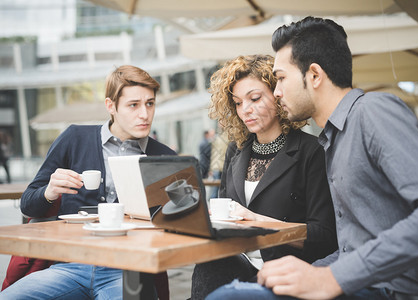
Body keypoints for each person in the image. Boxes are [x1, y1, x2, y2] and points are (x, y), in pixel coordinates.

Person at [206, 17, 418, 300]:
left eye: (282, 78)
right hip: (361, 283)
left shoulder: (371, 112)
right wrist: (310, 271)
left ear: (315, 75)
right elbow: (350, 249)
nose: (278, 91)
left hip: (398, 290)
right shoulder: (333, 140)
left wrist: (330, 276)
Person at [0, 65, 176, 299]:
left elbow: (181, 224)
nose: (144, 114)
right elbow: (28, 204)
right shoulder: (74, 138)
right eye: (133, 105)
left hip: (128, 271)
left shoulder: (165, 158)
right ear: (110, 106)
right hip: (70, 266)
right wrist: (49, 191)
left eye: (150, 103)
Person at [191, 54, 338, 299]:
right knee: (210, 263)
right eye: (237, 103)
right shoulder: (235, 151)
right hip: (239, 263)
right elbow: (224, 215)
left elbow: (325, 236)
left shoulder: (313, 152)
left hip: (287, 270)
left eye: (255, 98)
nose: (245, 110)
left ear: (278, 94)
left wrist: (257, 221)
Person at [208, 126, 228, 198]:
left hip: (222, 166)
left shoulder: (224, 137)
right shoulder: (218, 138)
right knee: (216, 191)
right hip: (218, 167)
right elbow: (213, 154)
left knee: (217, 191)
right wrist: (211, 168)